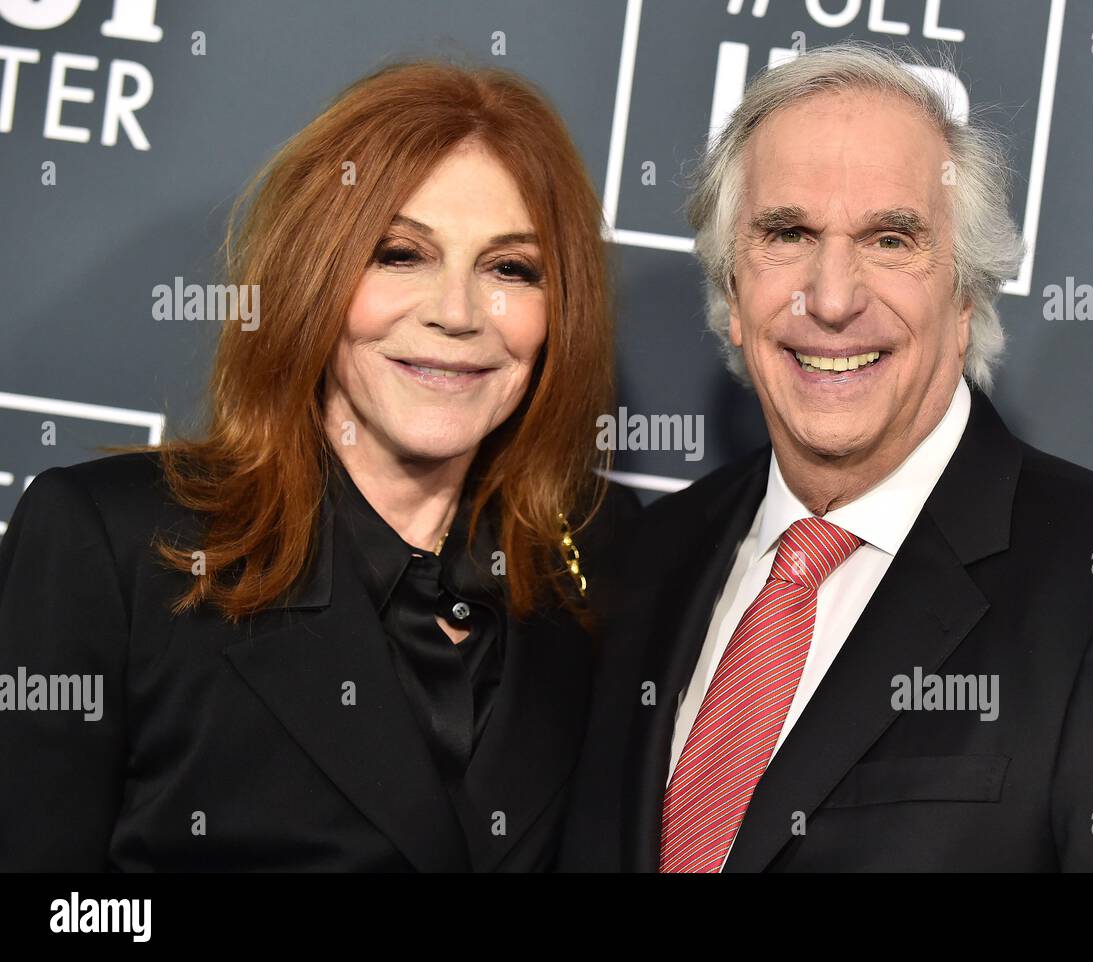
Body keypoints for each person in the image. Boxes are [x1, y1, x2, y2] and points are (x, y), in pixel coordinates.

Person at [559, 42, 1093, 872]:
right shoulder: (648, 563)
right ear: (733, 294)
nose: (832, 298)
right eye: (788, 233)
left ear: (967, 300)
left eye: (890, 240)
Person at [0, 61, 638, 872]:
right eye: (401, 254)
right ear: (315, 274)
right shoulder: (115, 545)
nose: (456, 313)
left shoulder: (600, 568)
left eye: (510, 269)